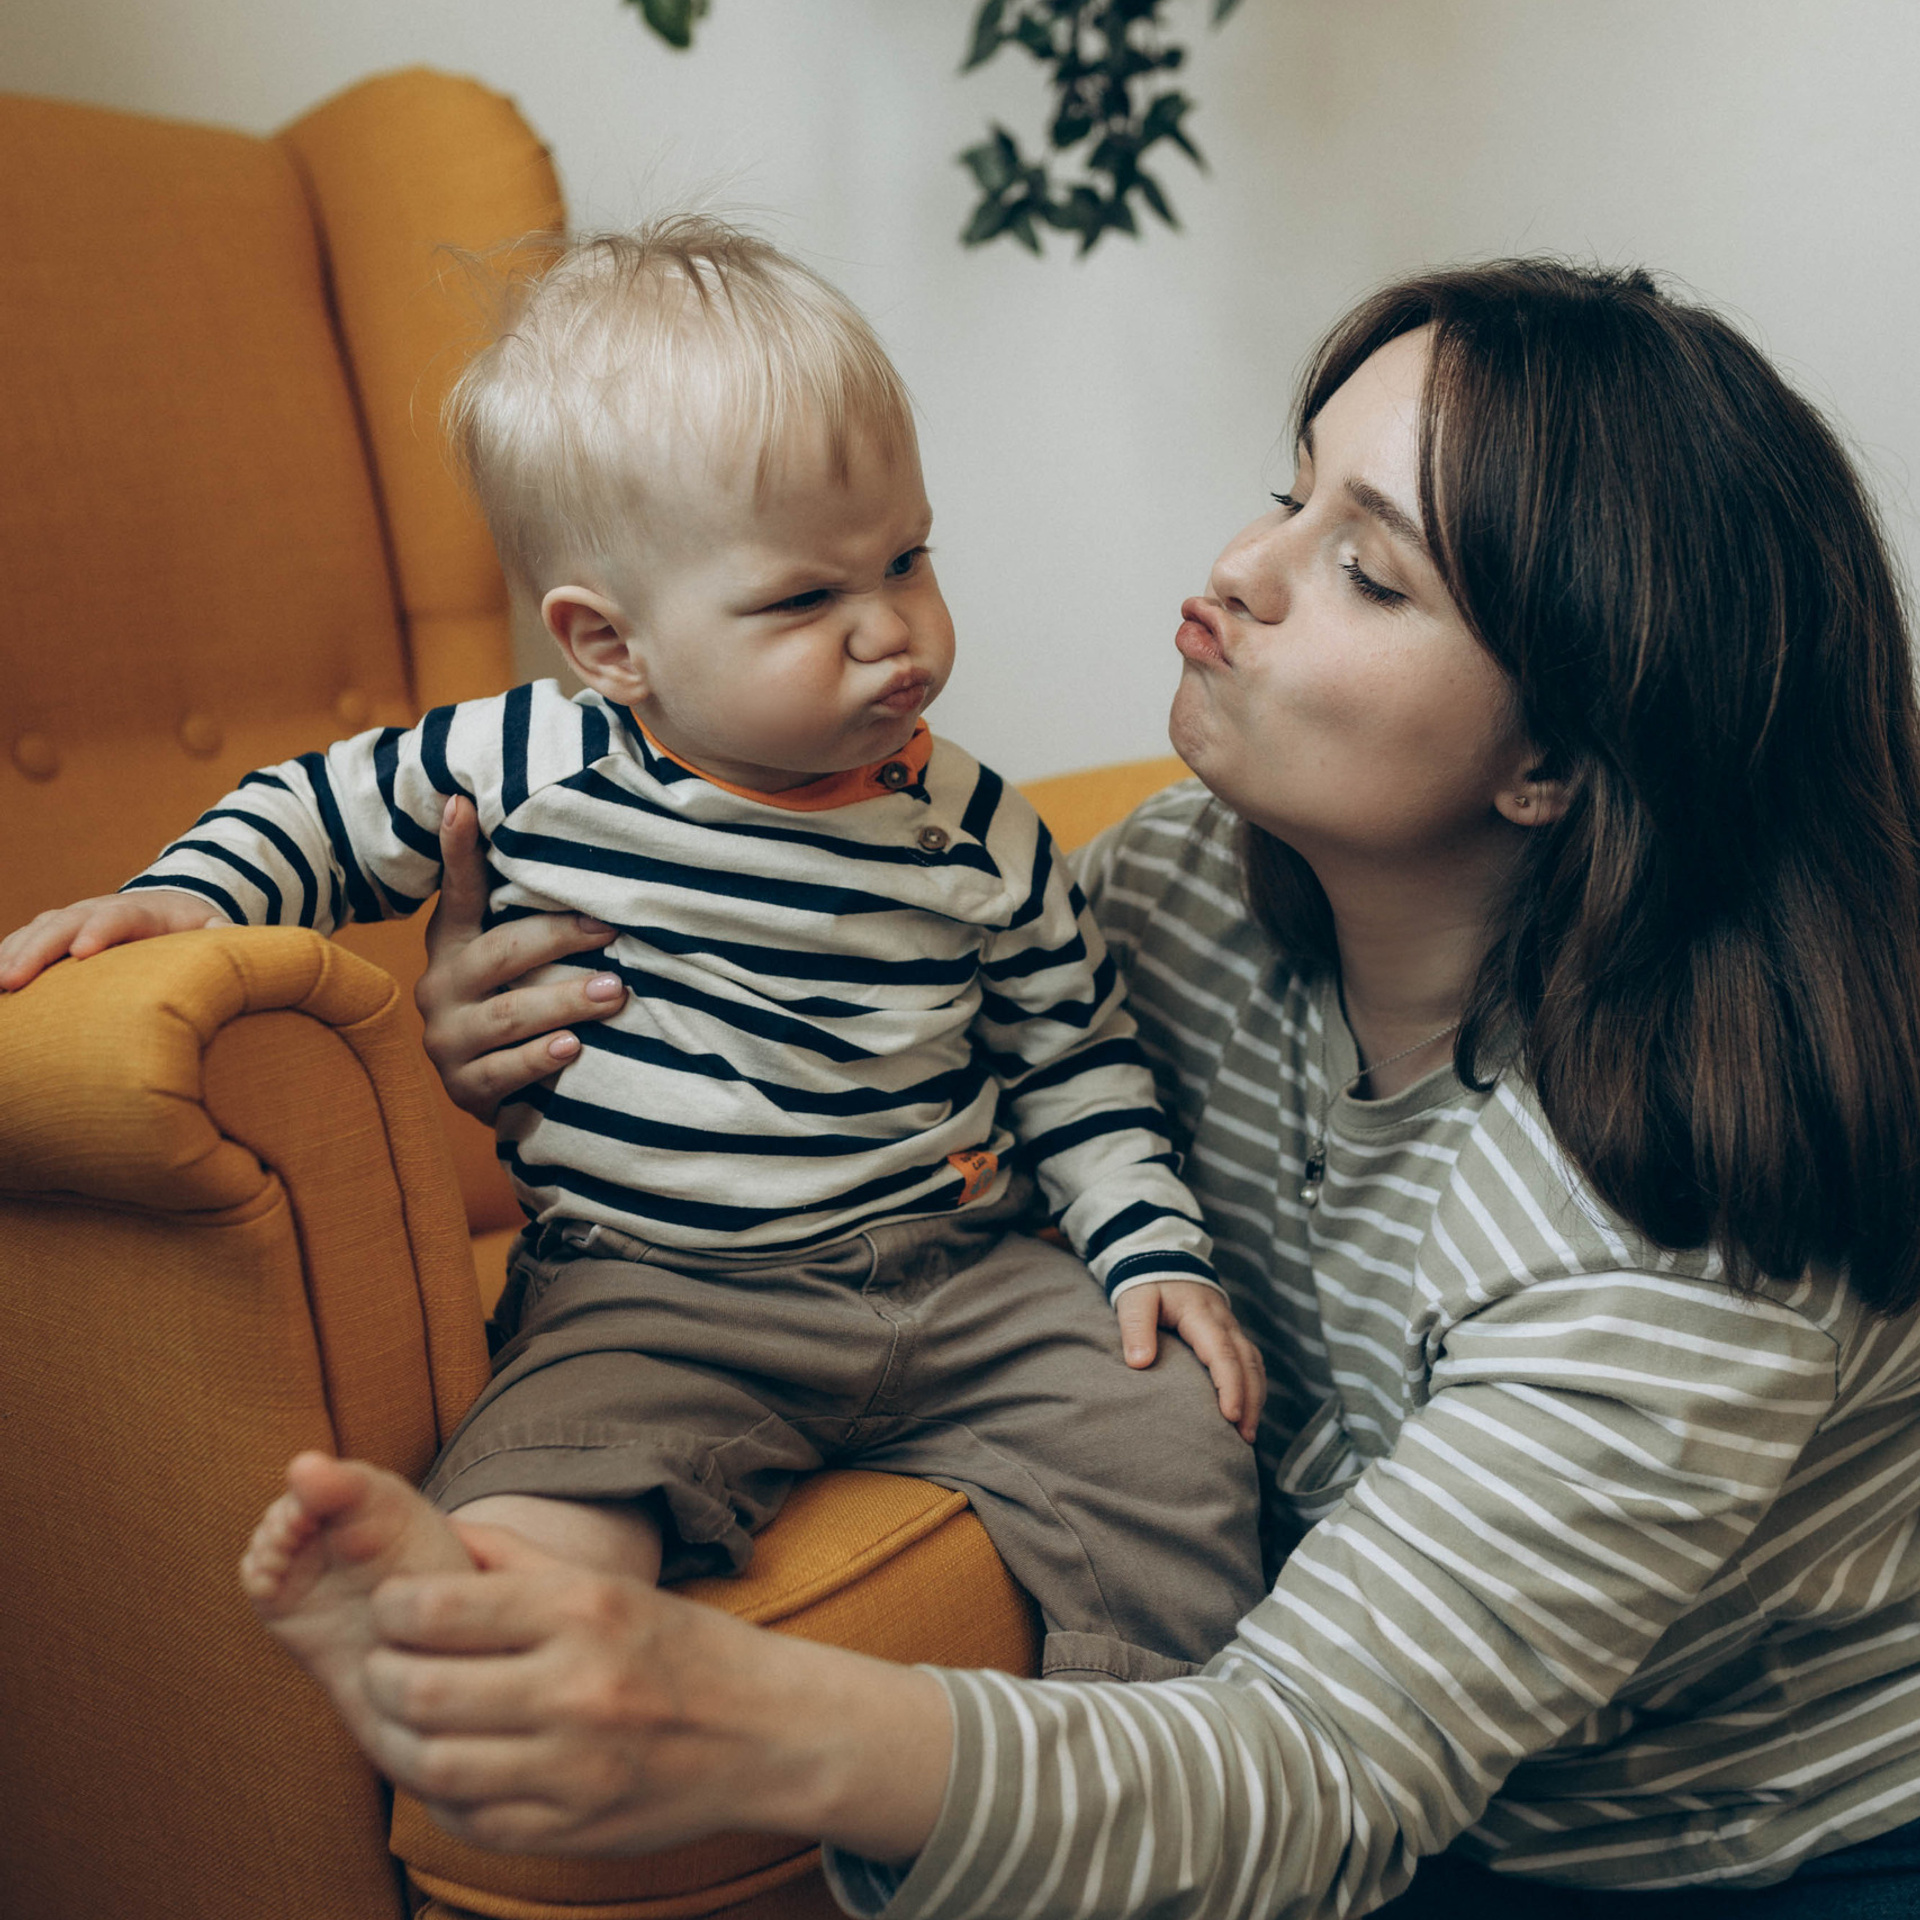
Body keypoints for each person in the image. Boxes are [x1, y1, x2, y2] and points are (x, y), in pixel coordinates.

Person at [207, 256, 1920, 1919]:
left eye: (1371, 576)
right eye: (1288, 493)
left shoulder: (1670, 1223)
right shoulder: (1182, 887)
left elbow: (1315, 1776)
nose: (1239, 568)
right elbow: (895, 1066)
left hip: (1710, 1856)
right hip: (1394, 1787)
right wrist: (535, 1011)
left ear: (1553, 762)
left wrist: (717, 1711)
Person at [0, 219, 1269, 1701]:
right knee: (551, 1476)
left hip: (964, 1274)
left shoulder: (971, 820)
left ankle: (1128, 1774)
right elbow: (313, 812)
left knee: (1178, 1436)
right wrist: (184, 900)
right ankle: (481, 1640)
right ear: (610, 644)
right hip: (654, 1292)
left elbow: (1077, 1051)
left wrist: (1147, 1248)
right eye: (807, 600)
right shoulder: (533, 759)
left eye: (909, 558)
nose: (895, 632)